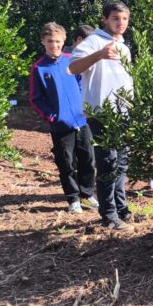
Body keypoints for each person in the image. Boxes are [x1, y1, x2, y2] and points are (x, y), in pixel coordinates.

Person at [69, 1, 134, 231]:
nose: (121, 23)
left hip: (123, 114)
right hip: (101, 114)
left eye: (125, 18)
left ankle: (121, 208)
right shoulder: (94, 41)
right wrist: (99, 54)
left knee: (121, 164)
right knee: (107, 164)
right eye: (116, 18)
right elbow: (74, 67)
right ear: (105, 19)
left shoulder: (124, 47)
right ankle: (108, 215)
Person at [29, 23, 97, 214]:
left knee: (88, 159)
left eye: (58, 41)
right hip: (60, 125)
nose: (54, 45)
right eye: (50, 41)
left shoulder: (71, 60)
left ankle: (88, 194)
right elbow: (35, 99)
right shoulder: (39, 68)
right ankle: (73, 199)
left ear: (64, 41)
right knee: (66, 163)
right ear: (43, 41)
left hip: (82, 120)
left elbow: (81, 84)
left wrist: (86, 108)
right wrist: (52, 116)